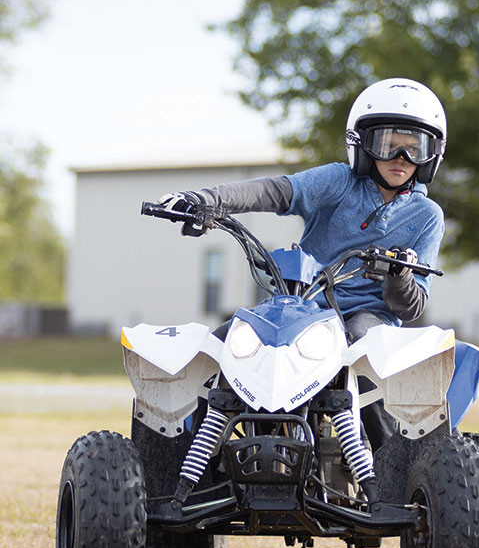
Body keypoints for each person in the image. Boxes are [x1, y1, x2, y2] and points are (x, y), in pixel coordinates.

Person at [158, 77, 447, 463]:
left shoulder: (427, 216)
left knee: (365, 350)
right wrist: (204, 200)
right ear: (362, 145)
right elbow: (276, 190)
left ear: (433, 156)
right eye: (388, 145)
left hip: (367, 314)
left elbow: (409, 307)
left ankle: (393, 472)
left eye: (416, 149)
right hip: (301, 305)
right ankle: (181, 463)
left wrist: (400, 276)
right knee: (218, 347)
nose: (402, 159)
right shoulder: (340, 182)